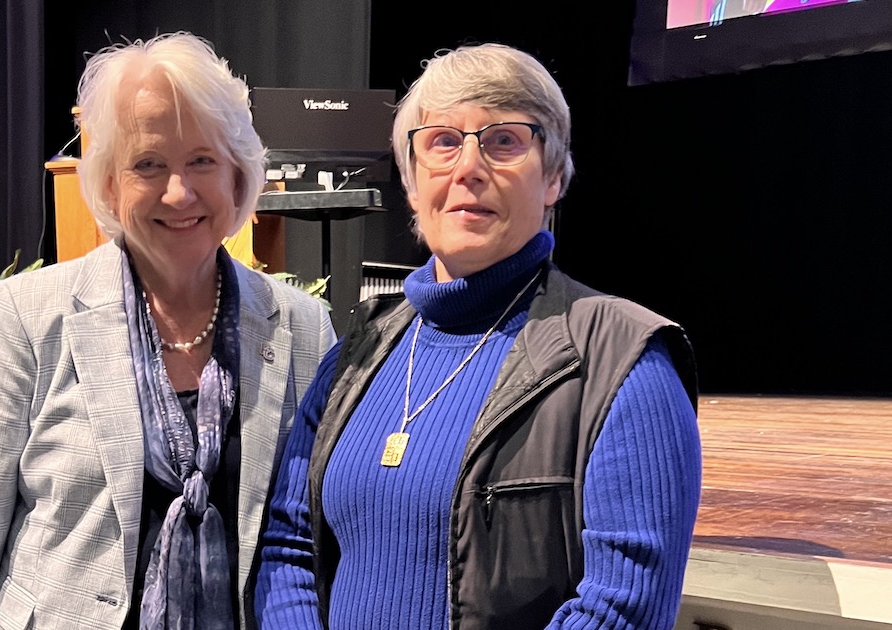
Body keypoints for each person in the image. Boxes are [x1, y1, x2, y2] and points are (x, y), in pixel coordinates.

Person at [254, 42, 701, 629]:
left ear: (554, 178)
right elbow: (289, 546)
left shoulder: (623, 361)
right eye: (442, 141)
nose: (468, 167)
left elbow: (622, 608)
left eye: (504, 141)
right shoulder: (356, 353)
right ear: (413, 184)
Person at [0, 32, 336, 630]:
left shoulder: (302, 327)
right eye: (148, 164)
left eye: (202, 160)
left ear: (238, 177)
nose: (179, 192)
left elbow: (317, 534)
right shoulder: (30, 313)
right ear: (112, 186)